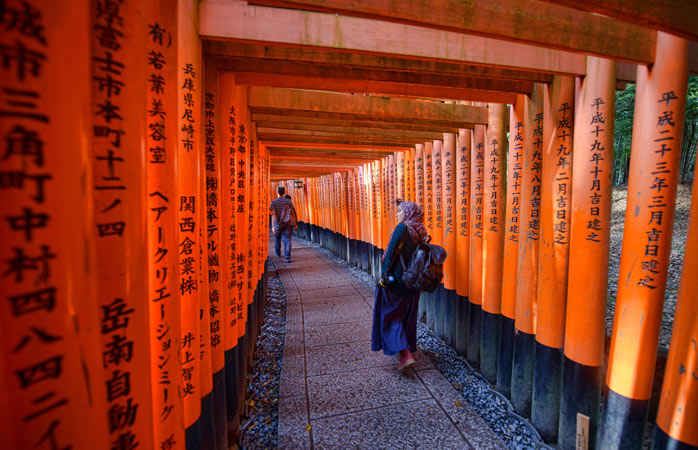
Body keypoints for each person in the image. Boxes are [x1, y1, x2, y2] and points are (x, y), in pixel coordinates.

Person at [371, 199, 427, 371]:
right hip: (414, 282)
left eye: (399, 211)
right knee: (408, 316)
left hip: (396, 280)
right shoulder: (421, 229)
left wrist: (383, 277)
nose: (397, 214)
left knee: (390, 315)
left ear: (408, 213)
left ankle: (404, 353)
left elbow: (391, 255)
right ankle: (410, 348)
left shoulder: (402, 228)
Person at [269, 186, 295, 262]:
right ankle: (288, 257)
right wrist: (295, 223)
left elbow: (273, 214)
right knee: (288, 239)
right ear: (284, 192)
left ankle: (278, 253)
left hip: (278, 223)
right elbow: (292, 212)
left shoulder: (274, 202)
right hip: (287, 223)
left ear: (277, 192)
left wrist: (273, 226)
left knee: (277, 238)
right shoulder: (288, 201)